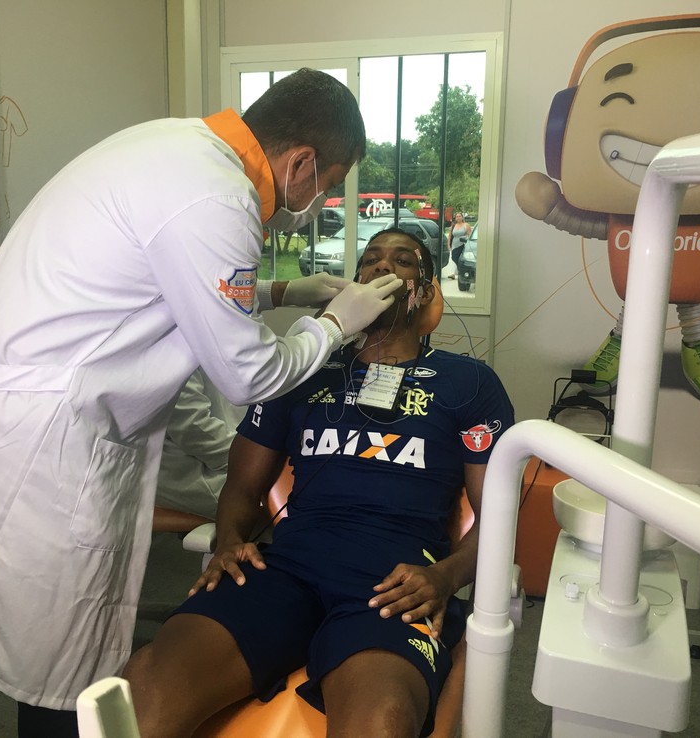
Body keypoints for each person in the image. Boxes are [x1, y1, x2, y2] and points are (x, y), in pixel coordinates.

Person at [0, 67, 405, 735]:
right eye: (325, 188)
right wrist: (334, 326)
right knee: (59, 667)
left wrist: (281, 293)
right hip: (39, 440)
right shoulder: (218, 198)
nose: (314, 203)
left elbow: (164, 285)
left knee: (47, 650)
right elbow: (247, 376)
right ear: (300, 161)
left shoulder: (171, 147)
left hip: (13, 413)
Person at [123, 228, 515, 737]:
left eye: (402, 261)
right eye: (370, 260)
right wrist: (229, 541)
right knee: (149, 687)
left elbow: (498, 517)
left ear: (426, 290)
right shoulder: (302, 369)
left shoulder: (469, 383)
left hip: (394, 584)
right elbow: (242, 487)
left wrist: (445, 576)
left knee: (383, 720)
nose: (381, 267)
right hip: (286, 568)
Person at [156, 367, 244, 520]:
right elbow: (191, 426)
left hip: (240, 449)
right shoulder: (168, 355)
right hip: (196, 469)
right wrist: (256, 458)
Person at [446, 212, 470, 279]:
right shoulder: (453, 226)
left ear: (462, 217)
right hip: (454, 244)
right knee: (454, 257)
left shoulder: (466, 225)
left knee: (460, 259)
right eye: (457, 216)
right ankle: (458, 271)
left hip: (463, 244)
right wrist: (448, 245)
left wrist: (467, 243)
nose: (458, 217)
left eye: (459, 216)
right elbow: (450, 236)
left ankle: (456, 273)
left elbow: (469, 235)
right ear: (455, 218)